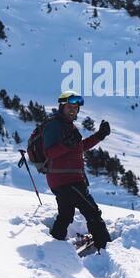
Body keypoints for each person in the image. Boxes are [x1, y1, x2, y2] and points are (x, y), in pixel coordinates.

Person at [43, 91, 111, 251]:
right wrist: (66, 145)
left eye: (75, 107)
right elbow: (49, 153)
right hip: (66, 180)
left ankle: (55, 244)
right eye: (69, 107)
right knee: (92, 211)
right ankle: (106, 248)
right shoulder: (54, 125)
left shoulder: (68, 126)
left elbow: (79, 147)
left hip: (65, 180)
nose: (73, 110)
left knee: (66, 215)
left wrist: (99, 136)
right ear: (62, 107)